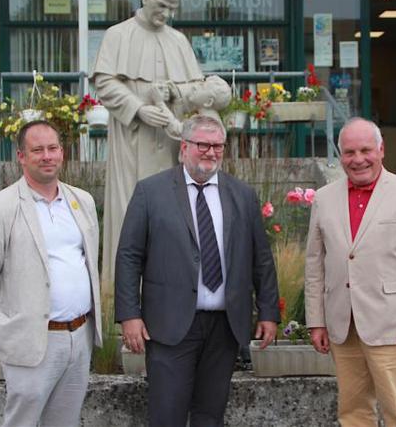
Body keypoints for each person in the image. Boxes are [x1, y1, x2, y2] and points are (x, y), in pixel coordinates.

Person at [115, 114, 280, 427]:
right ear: (184, 147)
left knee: (210, 416)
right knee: (167, 416)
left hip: (225, 327)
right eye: (202, 144)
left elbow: (261, 258)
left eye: (217, 145)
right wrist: (129, 315)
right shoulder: (151, 192)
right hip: (170, 326)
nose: (211, 152)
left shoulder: (242, 195)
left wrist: (269, 312)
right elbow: (128, 256)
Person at [0, 120, 102, 427]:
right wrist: (6, 323)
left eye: (52, 148)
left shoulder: (83, 201)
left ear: (63, 153)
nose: (47, 156)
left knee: (65, 422)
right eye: (37, 150)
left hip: (79, 337)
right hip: (32, 341)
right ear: (21, 157)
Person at [92, 0, 224, 292]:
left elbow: (195, 86)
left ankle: (172, 292)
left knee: (174, 218)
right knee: (130, 215)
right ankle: (125, 298)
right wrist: (138, 108)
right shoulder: (118, 35)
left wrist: (176, 94)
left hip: (170, 145)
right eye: (162, 5)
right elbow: (104, 82)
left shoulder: (178, 41)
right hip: (133, 140)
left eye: (172, 8)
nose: (166, 13)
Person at [304, 117, 396, 427]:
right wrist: (316, 321)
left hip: (391, 325)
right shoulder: (324, 199)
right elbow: (314, 265)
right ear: (340, 155)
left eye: (366, 150)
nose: (358, 159)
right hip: (342, 325)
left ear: (381, 150)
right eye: (349, 152)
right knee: (352, 414)